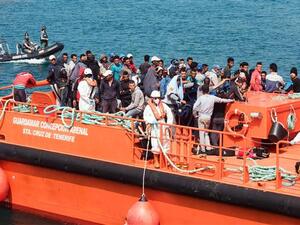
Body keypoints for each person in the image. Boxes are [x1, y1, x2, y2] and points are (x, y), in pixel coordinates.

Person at [193, 85, 234, 152]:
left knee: (201, 132)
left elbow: (194, 107)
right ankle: (208, 147)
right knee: (206, 133)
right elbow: (221, 100)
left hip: (201, 116)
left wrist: (195, 114)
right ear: (208, 90)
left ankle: (203, 149)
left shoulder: (200, 98)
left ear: (202, 91)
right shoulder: (212, 97)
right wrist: (231, 100)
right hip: (208, 117)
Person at [143, 90, 174, 168]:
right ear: (152, 98)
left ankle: (166, 159)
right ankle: (156, 160)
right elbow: (145, 116)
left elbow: (169, 114)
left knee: (166, 141)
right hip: (154, 127)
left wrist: (168, 124)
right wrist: (151, 121)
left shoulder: (163, 105)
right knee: (155, 143)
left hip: (163, 125)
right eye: (155, 98)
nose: (157, 99)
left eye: (158, 98)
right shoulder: (148, 107)